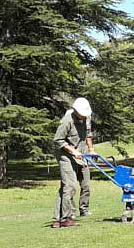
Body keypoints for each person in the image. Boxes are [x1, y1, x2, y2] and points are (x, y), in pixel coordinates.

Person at [52, 98, 94, 228]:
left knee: (67, 187)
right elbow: (58, 140)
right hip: (65, 155)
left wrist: (90, 150)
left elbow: (87, 135)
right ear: (75, 111)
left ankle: (57, 219)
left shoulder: (86, 118)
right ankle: (66, 219)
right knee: (70, 185)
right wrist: (73, 151)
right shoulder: (67, 121)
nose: (85, 116)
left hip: (80, 154)